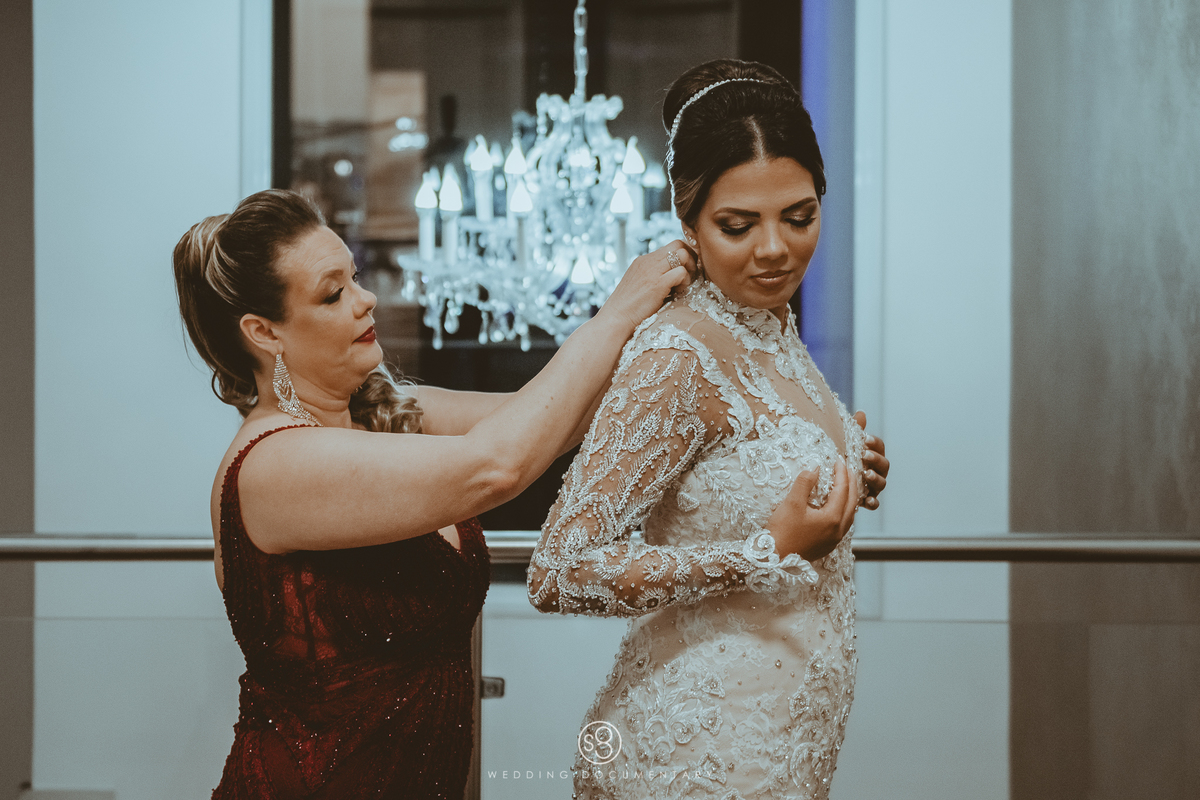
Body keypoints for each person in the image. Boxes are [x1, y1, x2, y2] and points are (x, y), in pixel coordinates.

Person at [172, 188, 698, 798]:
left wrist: (686, 324)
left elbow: (557, 421)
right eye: (333, 293)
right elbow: (497, 466)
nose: (366, 299)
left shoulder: (386, 413)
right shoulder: (273, 464)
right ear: (264, 332)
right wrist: (616, 313)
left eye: (355, 278)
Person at [527, 59, 890, 800]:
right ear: (686, 220)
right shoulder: (678, 353)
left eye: (799, 216)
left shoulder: (769, 325)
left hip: (781, 745)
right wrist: (764, 552)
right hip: (698, 757)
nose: (775, 248)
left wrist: (848, 464)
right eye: (737, 225)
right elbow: (560, 569)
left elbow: (739, 467)